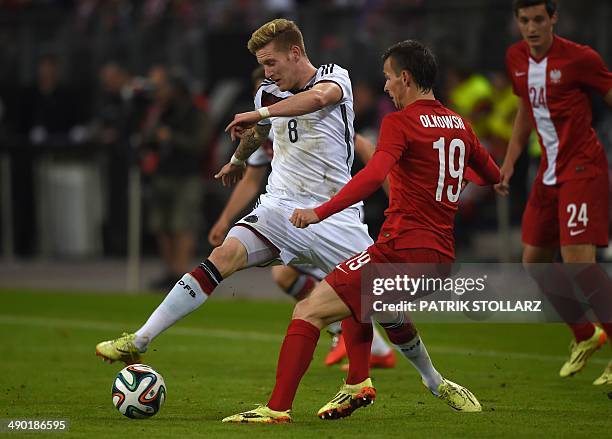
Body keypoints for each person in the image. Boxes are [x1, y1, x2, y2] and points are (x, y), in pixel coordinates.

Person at [98, 20, 447, 396]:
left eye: (272, 62)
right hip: (280, 208)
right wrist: (237, 158)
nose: (267, 72)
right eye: (263, 65)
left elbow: (313, 101)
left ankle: (432, 378)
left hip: (334, 215)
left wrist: (259, 115)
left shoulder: (334, 77)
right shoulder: (267, 91)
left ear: (295, 53)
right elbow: (262, 133)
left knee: (383, 307)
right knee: (222, 256)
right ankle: (141, 338)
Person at [222, 39, 501, 424]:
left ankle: (277, 409)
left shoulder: (401, 122)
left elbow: (371, 175)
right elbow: (493, 175)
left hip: (402, 251)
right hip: (439, 256)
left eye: (388, 78)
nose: (385, 87)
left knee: (308, 311)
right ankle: (372, 382)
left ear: (405, 78)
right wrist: (449, 185)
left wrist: (321, 211)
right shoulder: (461, 126)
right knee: (360, 298)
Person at [207, 66, 395, 369]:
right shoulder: (267, 133)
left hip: (334, 214)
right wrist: (224, 219)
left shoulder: (314, 117)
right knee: (287, 276)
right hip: (297, 216)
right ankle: (360, 343)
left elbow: (366, 150)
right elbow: (251, 179)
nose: (270, 95)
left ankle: (384, 351)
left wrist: (394, 197)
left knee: (360, 288)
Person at [495, 0, 612, 385]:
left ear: (553, 19)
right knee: (535, 261)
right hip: (548, 173)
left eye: (539, 20)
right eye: (524, 20)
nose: (531, 28)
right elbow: (526, 110)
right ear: (517, 22)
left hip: (582, 169)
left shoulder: (580, 58)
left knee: (580, 263)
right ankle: (585, 334)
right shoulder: (516, 57)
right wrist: (510, 161)